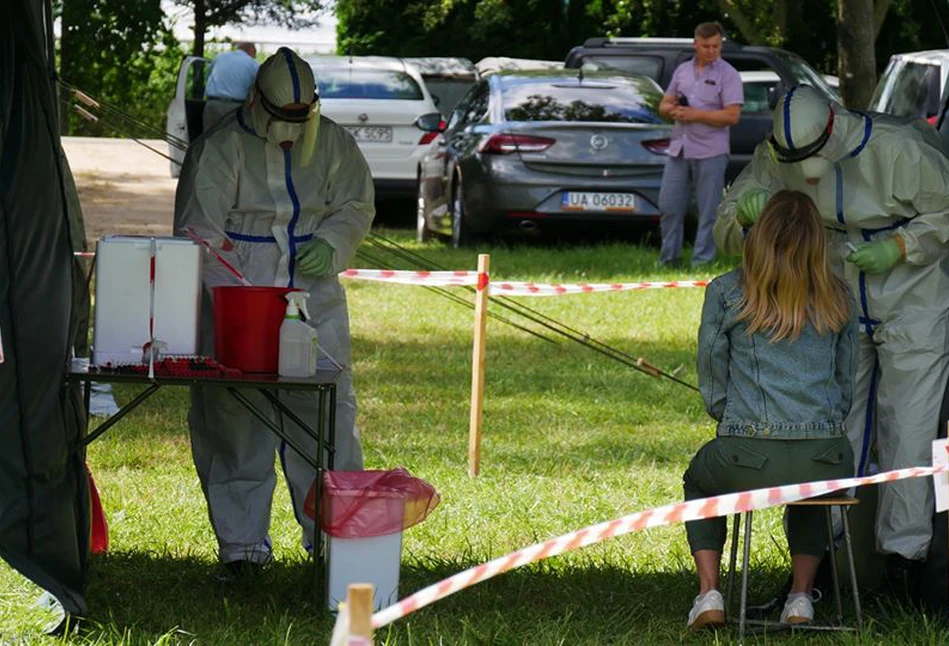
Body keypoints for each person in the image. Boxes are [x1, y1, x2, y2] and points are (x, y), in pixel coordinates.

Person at [715, 84, 949, 596]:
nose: (810, 172)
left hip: (914, 295)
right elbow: (725, 230)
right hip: (832, 297)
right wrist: (747, 214)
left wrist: (902, 245)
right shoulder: (774, 157)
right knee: (830, 425)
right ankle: (828, 563)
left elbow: (947, 212)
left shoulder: (898, 149)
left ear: (834, 130)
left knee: (908, 427)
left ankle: (903, 565)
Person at [174, 47, 375, 575]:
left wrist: (332, 242)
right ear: (256, 101)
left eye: (299, 117)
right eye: (282, 116)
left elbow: (356, 202)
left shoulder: (333, 142)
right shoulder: (219, 149)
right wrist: (239, 292)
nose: (291, 127)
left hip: (315, 301)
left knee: (328, 423)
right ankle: (242, 551)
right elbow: (198, 235)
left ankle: (333, 545)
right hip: (239, 301)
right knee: (235, 424)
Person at [685, 190, 857, 630]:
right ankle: (801, 599)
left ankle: (709, 594)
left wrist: (728, 415)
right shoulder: (839, 294)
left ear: (757, 236)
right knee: (813, 492)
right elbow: (845, 382)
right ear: (818, 243)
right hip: (827, 455)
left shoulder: (726, 291)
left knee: (698, 481)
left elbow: (711, 367)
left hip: (747, 455)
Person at [656, 21, 743, 268]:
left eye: (716, 46)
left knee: (708, 211)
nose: (711, 51)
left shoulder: (729, 74)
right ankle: (668, 260)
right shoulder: (682, 71)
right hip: (679, 149)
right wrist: (672, 110)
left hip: (711, 151)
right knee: (670, 206)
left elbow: (732, 116)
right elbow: (663, 105)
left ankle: (701, 262)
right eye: (706, 46)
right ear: (695, 44)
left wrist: (695, 115)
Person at [203, 42, 260, 132]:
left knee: (208, 137)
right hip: (235, 108)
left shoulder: (219, 57)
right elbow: (257, 86)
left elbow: (208, 76)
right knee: (232, 139)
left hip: (212, 105)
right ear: (252, 51)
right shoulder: (252, 64)